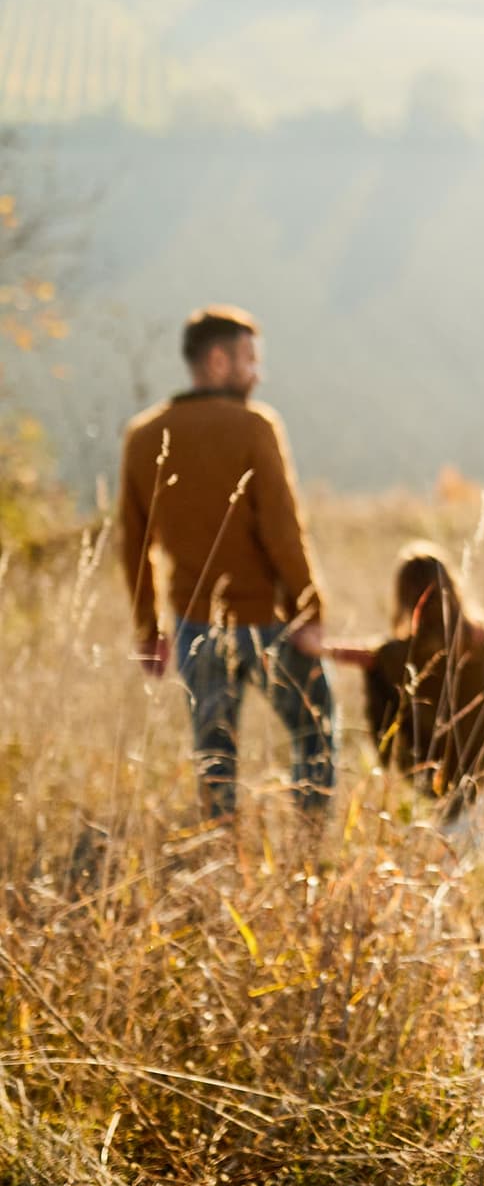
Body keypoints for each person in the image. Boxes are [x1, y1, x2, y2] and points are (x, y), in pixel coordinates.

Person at [119, 304, 335, 826]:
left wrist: (149, 628)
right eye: (249, 360)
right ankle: (309, 845)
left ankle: (220, 849)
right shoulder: (255, 426)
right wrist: (310, 609)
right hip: (268, 622)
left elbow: (133, 542)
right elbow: (283, 530)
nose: (257, 373)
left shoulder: (144, 435)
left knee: (214, 752)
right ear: (217, 361)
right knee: (315, 730)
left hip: (194, 625)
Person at [332, 542, 484, 829]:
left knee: (448, 829)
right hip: (477, 760)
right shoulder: (475, 640)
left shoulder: (398, 656)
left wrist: (321, 648)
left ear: (406, 597)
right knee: (466, 827)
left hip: (427, 765)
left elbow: (377, 659)